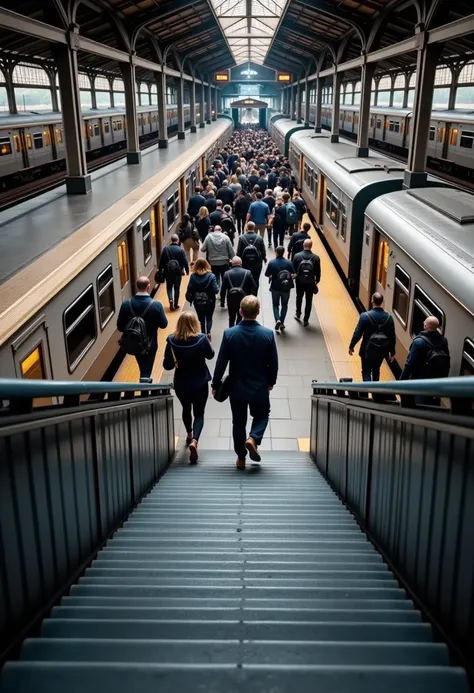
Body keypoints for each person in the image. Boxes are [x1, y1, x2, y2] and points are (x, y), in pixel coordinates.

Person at [212, 295, 278, 470]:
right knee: (262, 415)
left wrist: (215, 384)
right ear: (258, 312)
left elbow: (221, 362)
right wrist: (270, 382)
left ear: (240, 312)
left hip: (237, 387)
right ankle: (253, 438)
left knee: (238, 422)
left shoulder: (229, 334)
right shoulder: (267, 335)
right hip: (259, 387)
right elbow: (273, 363)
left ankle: (241, 458)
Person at [163, 312, 214, 463]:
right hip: (200, 383)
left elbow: (166, 365)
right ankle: (195, 441)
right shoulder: (202, 339)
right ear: (195, 323)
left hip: (181, 383)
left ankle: (189, 433)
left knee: (186, 409)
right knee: (199, 413)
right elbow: (210, 355)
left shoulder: (171, 341)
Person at [117, 276, 168, 382]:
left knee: (143, 366)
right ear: (148, 287)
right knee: (146, 370)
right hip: (150, 343)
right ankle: (145, 385)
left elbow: (120, 327)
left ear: (137, 287)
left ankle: (144, 379)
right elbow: (164, 324)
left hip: (133, 343)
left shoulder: (126, 305)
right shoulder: (156, 305)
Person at [349, 293, 396, 382]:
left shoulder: (364, 316)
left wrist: (351, 346)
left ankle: (366, 392)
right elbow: (392, 337)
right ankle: (375, 394)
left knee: (366, 372)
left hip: (367, 350)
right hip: (382, 350)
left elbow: (357, 333)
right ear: (382, 302)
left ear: (372, 301)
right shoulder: (389, 318)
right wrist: (392, 352)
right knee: (376, 370)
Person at [400, 316, 450, 385]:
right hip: (435, 379)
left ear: (425, 326)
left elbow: (409, 364)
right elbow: (447, 361)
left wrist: (401, 381)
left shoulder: (418, 342)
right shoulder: (444, 340)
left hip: (420, 380)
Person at [186, 258, 219, 339]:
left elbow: (189, 289)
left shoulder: (193, 276)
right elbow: (216, 290)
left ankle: (203, 334)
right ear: (207, 265)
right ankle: (208, 332)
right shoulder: (211, 276)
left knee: (201, 319)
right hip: (210, 300)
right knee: (209, 317)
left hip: (197, 301)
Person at [265, 245, 295, 332]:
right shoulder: (289, 263)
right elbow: (293, 273)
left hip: (275, 288)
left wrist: (272, 276)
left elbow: (266, 274)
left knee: (275, 304)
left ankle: (277, 319)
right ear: (284, 252)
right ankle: (282, 322)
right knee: (284, 305)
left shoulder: (272, 262)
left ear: (276, 252)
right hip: (286, 288)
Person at [220, 257, 257, 327]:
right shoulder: (247, 272)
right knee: (240, 317)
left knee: (231, 317)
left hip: (231, 300)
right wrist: (252, 298)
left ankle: (231, 330)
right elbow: (254, 286)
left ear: (232, 264)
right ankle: (238, 329)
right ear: (241, 263)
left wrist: (222, 302)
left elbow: (223, 289)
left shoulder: (226, 273)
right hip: (243, 299)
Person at [293, 239, 321, 326]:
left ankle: (298, 313)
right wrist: (317, 281)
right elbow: (318, 272)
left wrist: (296, 276)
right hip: (310, 282)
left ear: (303, 245)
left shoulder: (297, 256)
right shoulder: (316, 258)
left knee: (299, 297)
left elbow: (293, 269)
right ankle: (306, 319)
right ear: (311, 246)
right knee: (309, 300)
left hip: (299, 281)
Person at [158, 234, 189, 311]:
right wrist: (187, 270)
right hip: (178, 272)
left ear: (171, 240)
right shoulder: (181, 250)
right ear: (178, 240)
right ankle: (176, 304)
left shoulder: (165, 249)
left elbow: (161, 262)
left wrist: (160, 270)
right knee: (177, 288)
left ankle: (170, 299)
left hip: (168, 272)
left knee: (169, 287)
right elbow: (185, 261)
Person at [237, 221, 267, 293]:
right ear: (254, 227)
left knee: (245, 278)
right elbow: (263, 250)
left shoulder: (241, 238)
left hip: (245, 262)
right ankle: (254, 294)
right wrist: (264, 258)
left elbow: (239, 251)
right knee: (256, 279)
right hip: (257, 262)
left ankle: (247, 293)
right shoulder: (259, 238)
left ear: (247, 228)